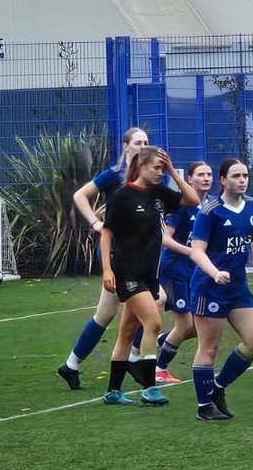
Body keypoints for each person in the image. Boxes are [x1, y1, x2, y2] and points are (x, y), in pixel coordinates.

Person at [100, 146, 200, 406]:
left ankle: (113, 391)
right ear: (141, 166)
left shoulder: (159, 195)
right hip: (126, 272)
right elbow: (106, 234)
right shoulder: (122, 197)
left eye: (161, 168)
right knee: (153, 323)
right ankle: (149, 387)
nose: (159, 172)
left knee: (127, 331)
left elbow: (193, 200)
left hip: (149, 274)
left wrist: (171, 171)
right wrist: (107, 270)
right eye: (156, 167)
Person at [57, 126, 149, 390]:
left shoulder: (148, 177)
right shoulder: (114, 175)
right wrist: (96, 223)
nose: (143, 147)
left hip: (134, 251)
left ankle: (71, 365)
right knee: (154, 300)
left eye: (146, 142)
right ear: (126, 146)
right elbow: (80, 195)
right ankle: (131, 358)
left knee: (105, 314)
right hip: (116, 252)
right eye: (138, 142)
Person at [189, 158, 253, 421]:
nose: (242, 180)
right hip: (209, 288)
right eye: (236, 176)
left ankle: (218, 387)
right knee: (209, 348)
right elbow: (196, 251)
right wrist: (214, 272)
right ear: (223, 180)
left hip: (237, 287)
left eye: (245, 175)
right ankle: (204, 407)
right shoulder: (210, 210)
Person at [152, 160, 211, 385]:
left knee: (197, 327)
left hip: (193, 273)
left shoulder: (210, 207)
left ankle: (159, 341)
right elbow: (165, 238)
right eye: (200, 175)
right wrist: (192, 252)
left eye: (209, 174)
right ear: (189, 179)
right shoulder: (182, 207)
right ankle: (158, 369)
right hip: (174, 269)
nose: (206, 178)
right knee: (185, 324)